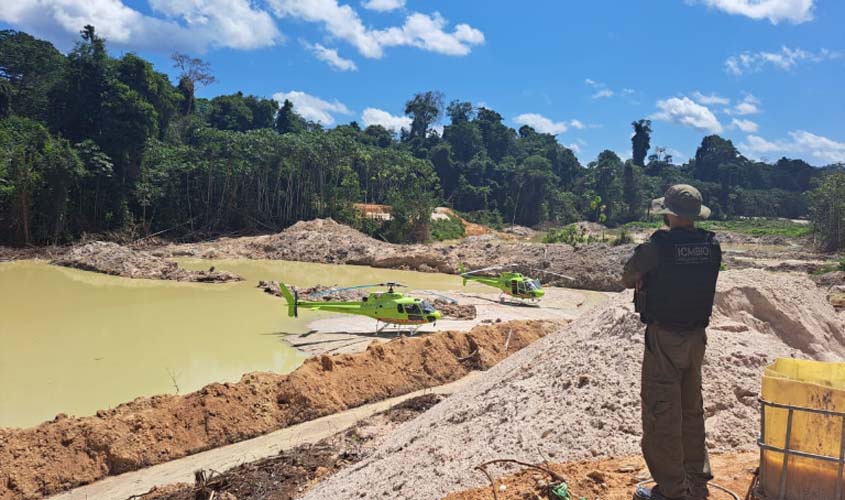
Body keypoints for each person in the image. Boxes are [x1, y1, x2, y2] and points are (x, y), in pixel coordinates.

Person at [622, 185, 722, 500]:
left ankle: (672, 491)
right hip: (696, 337)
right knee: (691, 410)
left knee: (661, 413)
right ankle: (696, 482)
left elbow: (627, 276)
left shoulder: (657, 247)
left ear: (670, 213)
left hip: (665, 336)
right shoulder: (711, 246)